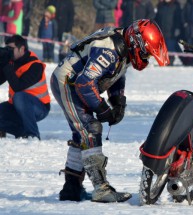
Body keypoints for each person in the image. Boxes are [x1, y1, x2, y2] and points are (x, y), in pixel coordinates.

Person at [50, 19, 169, 203]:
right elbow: (85, 83)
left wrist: (118, 100)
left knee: (81, 133)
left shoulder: (123, 46)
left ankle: (71, 189)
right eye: (146, 54)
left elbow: (116, 73)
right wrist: (103, 109)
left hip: (76, 82)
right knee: (90, 129)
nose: (145, 59)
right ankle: (100, 188)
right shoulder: (108, 51)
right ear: (137, 43)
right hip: (67, 81)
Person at [0, 35, 51, 139]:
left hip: (39, 108)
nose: (8, 51)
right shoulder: (11, 62)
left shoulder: (35, 65)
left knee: (19, 96)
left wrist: (6, 65)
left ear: (22, 49)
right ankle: (21, 132)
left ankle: (33, 135)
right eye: (7, 49)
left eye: (11, 49)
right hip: (16, 106)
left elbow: (18, 86)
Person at [155, 0, 182, 66]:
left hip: (171, 32)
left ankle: (171, 61)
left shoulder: (176, 6)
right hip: (162, 31)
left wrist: (177, 28)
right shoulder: (161, 5)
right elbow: (157, 18)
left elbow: (178, 18)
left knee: (171, 47)